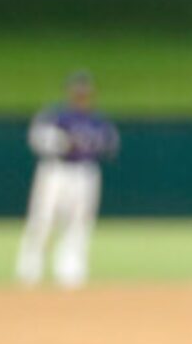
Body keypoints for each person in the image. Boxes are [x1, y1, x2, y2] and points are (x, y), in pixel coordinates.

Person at [16, 69, 118, 290]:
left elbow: (111, 145)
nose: (81, 94)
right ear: (70, 92)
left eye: (85, 90)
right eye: (77, 89)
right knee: (43, 219)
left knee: (79, 223)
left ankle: (71, 272)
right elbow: (38, 138)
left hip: (85, 172)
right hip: (56, 171)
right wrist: (58, 143)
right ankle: (29, 270)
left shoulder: (98, 121)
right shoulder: (57, 116)